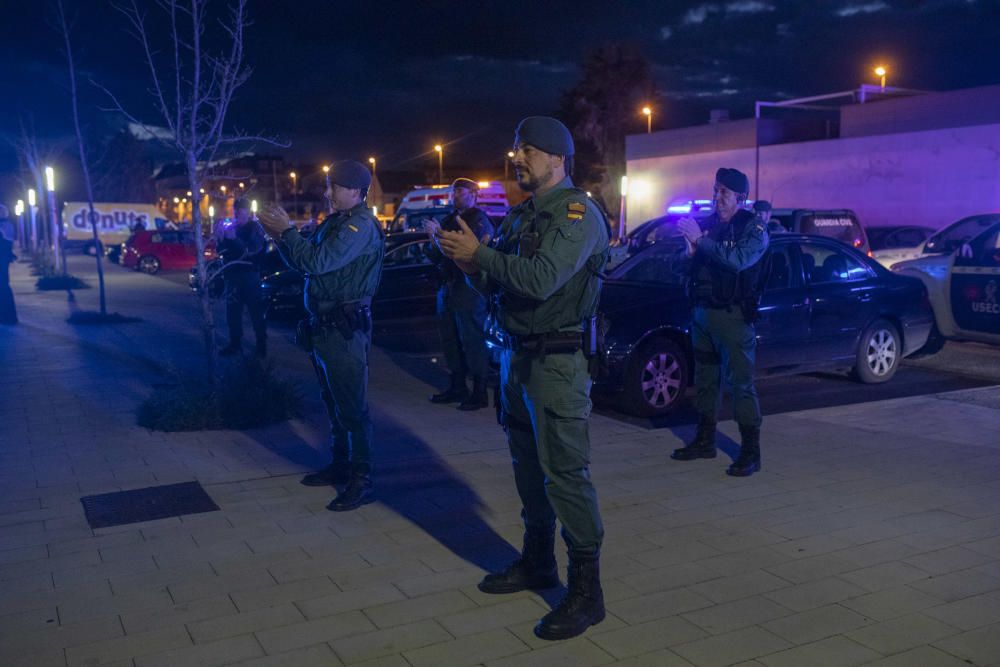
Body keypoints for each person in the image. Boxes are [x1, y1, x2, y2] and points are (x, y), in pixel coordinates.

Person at [437, 116, 610, 641]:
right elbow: (500, 279)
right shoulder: (523, 215)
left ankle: (587, 592)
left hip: (557, 364)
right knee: (528, 468)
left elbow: (539, 279)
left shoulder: (576, 213)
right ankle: (538, 561)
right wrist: (472, 265)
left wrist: (481, 255)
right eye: (516, 149)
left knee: (564, 474)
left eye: (529, 151)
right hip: (517, 359)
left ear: (558, 158)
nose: (517, 158)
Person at [257, 160, 384, 512]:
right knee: (334, 402)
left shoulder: (359, 226)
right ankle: (341, 464)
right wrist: (279, 236)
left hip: (344, 330)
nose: (327, 193)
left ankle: (363, 478)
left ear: (355, 191)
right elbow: (304, 260)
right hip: (324, 327)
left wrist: (286, 232)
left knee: (352, 407)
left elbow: (318, 262)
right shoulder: (337, 223)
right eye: (328, 186)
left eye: (335, 187)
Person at [672, 168, 769, 477]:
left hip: (733, 317)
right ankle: (704, 440)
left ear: (740, 198)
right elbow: (680, 267)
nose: (717, 197)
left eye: (724, 193)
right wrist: (689, 252)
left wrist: (700, 241)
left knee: (741, 384)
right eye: (715, 190)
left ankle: (751, 452)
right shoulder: (709, 227)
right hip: (703, 314)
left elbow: (739, 260)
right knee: (705, 381)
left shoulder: (752, 229)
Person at [423, 178, 495, 410]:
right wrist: (432, 238)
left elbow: (468, 253)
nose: (454, 195)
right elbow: (435, 255)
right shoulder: (448, 218)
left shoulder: (478, 220)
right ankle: (457, 386)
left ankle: (480, 391)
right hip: (449, 285)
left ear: (473, 194)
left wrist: (438, 237)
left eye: (460, 191)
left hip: (468, 286)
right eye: (454, 191)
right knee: (449, 337)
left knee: (472, 338)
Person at [215, 198, 268, 357]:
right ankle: (235, 343)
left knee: (255, 312)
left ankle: (261, 345)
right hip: (233, 275)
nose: (237, 212)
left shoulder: (255, 228)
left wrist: (233, 239)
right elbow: (223, 252)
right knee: (233, 312)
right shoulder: (233, 227)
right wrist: (220, 239)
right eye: (235, 209)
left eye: (240, 209)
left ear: (247, 211)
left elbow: (252, 250)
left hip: (250, 275)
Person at [0, 204, 18, 325]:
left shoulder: (3, 226)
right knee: (4, 287)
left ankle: (7, 317)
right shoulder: (7, 225)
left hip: (2, 260)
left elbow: (5, 243)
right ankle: (8, 316)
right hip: (4, 260)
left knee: (3, 287)